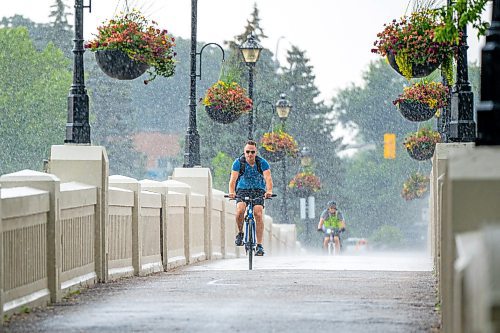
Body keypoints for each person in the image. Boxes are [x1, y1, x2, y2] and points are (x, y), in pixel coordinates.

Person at [228, 140, 273, 256]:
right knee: (240, 211)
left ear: (256, 152)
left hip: (258, 190)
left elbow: (268, 178)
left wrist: (269, 191)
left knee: (258, 213)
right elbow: (233, 180)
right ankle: (241, 233)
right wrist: (232, 192)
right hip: (242, 190)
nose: (250, 154)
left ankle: (259, 245)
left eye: (252, 152)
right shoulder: (238, 163)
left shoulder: (262, 163)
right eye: (247, 152)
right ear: (244, 152)